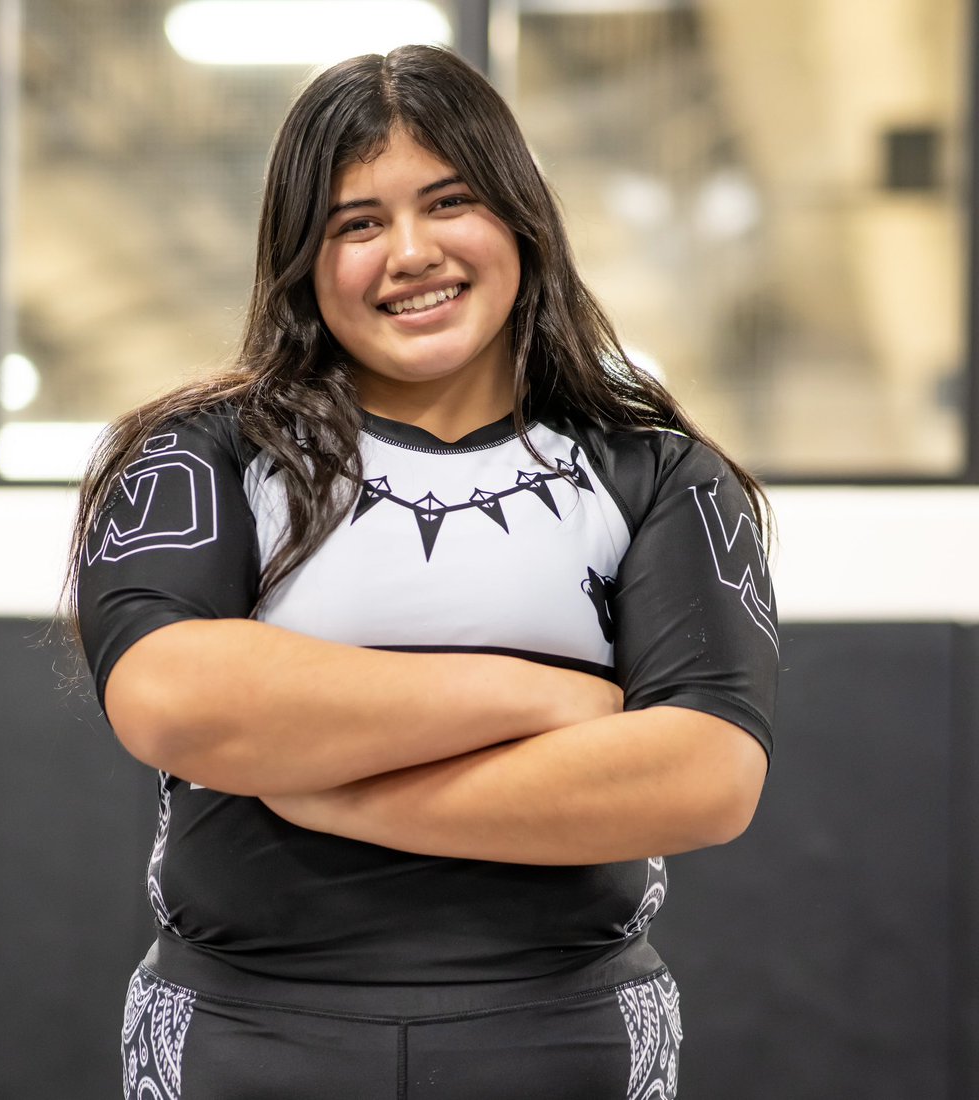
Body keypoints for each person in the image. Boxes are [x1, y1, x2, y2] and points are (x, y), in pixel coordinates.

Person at [67, 44, 777, 1100]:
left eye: (449, 202)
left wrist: (324, 786)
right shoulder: (199, 454)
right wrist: (545, 697)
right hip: (243, 1037)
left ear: (521, 220)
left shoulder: (657, 472)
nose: (410, 253)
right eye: (357, 223)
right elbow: (174, 698)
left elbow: (704, 777)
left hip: (563, 1038)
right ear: (302, 258)